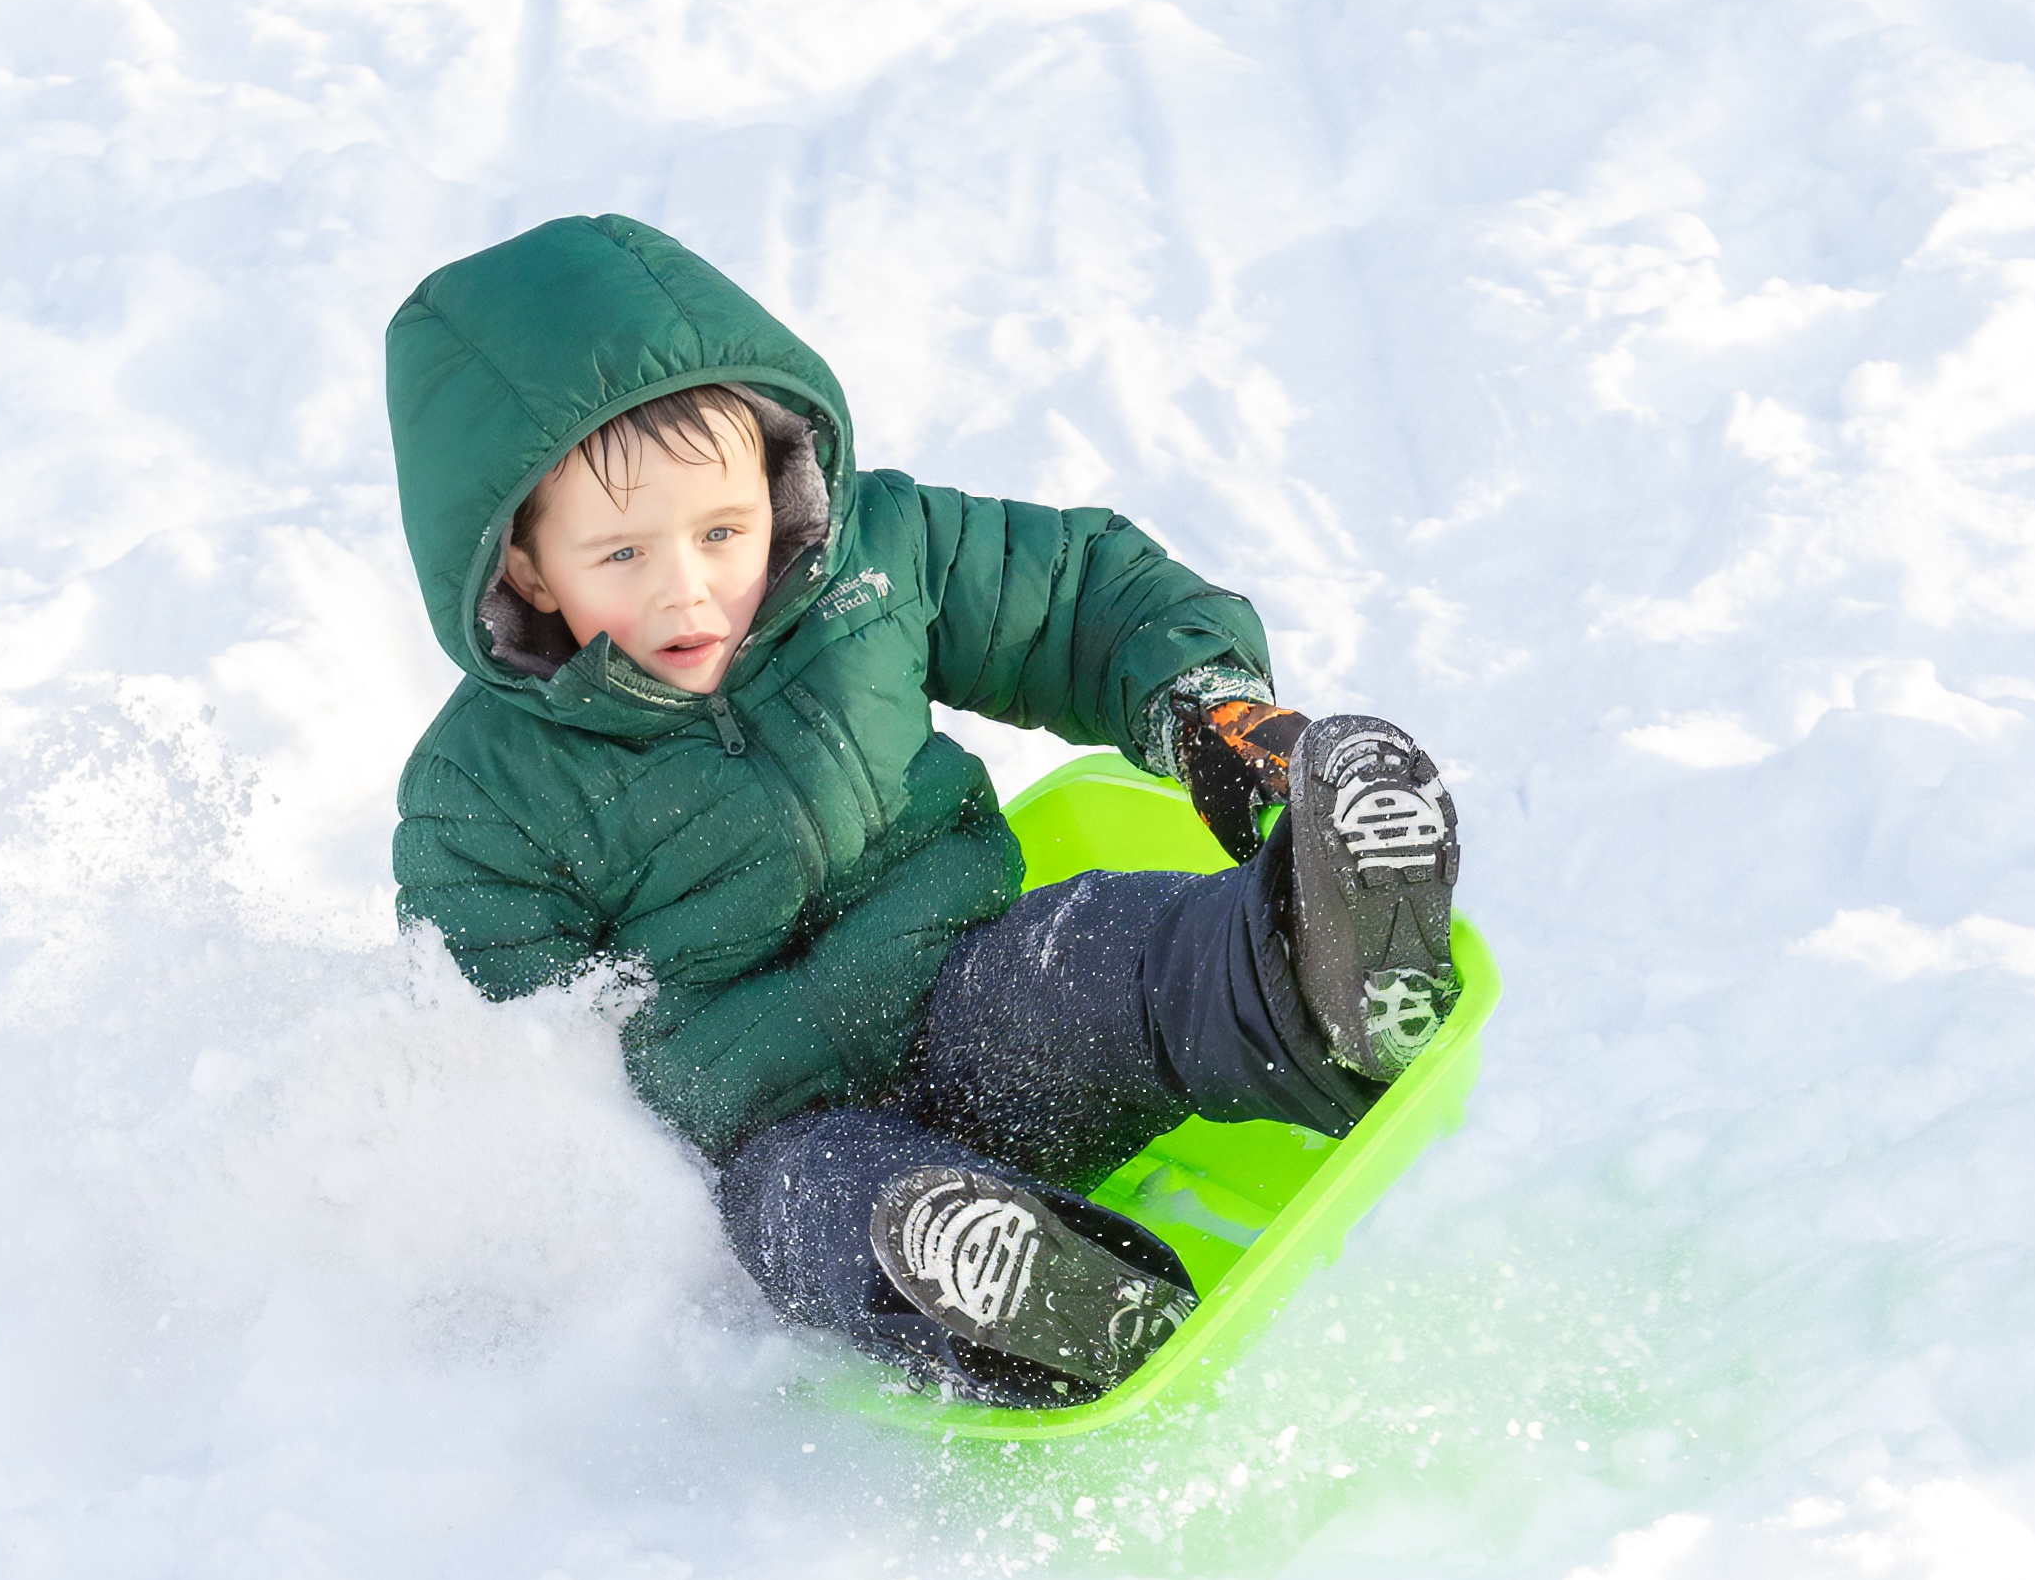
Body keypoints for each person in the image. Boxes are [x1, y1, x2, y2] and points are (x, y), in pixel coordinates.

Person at [387, 215, 1460, 1406]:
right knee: (822, 1221)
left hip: (972, 991)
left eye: (722, 532)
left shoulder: (865, 559)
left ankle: (1332, 981)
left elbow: (1065, 597)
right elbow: (513, 1045)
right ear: (526, 568)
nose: (689, 586)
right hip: (782, 1130)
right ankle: (1031, 1299)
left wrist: (1201, 700)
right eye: (622, 554)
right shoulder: (481, 796)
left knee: (1106, 953)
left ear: (776, 481)